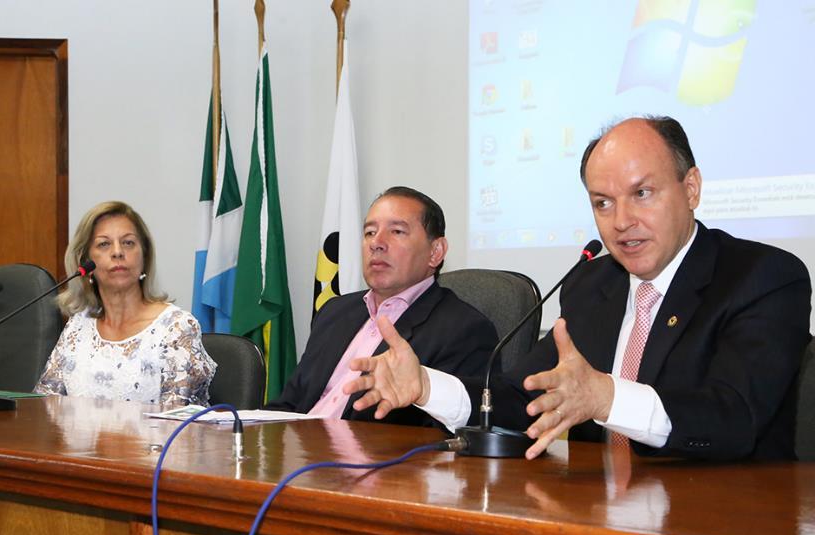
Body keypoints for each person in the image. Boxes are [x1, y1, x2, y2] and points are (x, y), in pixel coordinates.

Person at [345, 117, 811, 461]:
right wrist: (429, 386)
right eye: (603, 203)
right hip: (594, 517)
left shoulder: (763, 276)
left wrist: (606, 397)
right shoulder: (594, 284)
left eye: (642, 194)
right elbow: (524, 397)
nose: (622, 221)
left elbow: (734, 416)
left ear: (690, 189)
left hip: (724, 525)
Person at [266, 186, 499, 429]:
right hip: (297, 452)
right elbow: (289, 404)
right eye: (369, 232)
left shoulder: (465, 329)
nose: (376, 243)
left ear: (435, 252)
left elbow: (448, 434)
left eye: (397, 231)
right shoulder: (335, 312)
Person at [35, 200, 215, 406]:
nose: (118, 252)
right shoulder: (78, 327)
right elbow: (44, 408)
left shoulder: (176, 328)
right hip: (77, 439)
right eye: (104, 244)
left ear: (144, 256)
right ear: (85, 262)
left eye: (128, 242)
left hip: (154, 439)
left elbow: (178, 421)